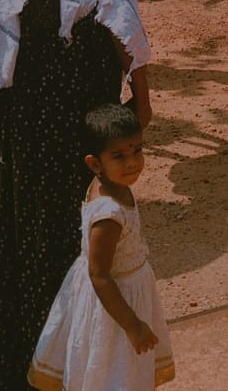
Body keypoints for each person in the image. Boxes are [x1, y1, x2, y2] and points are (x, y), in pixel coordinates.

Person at [0, 0, 152, 390]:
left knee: (27, 229)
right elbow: (125, 31)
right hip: (80, 113)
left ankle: (25, 366)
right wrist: (142, 100)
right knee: (82, 228)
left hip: (22, 113)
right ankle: (80, 367)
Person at [28, 104, 175, 391]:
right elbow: (100, 275)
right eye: (119, 156)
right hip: (116, 306)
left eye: (137, 150)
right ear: (95, 164)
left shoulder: (110, 184)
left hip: (125, 293)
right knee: (113, 372)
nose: (132, 162)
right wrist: (132, 325)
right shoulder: (109, 215)